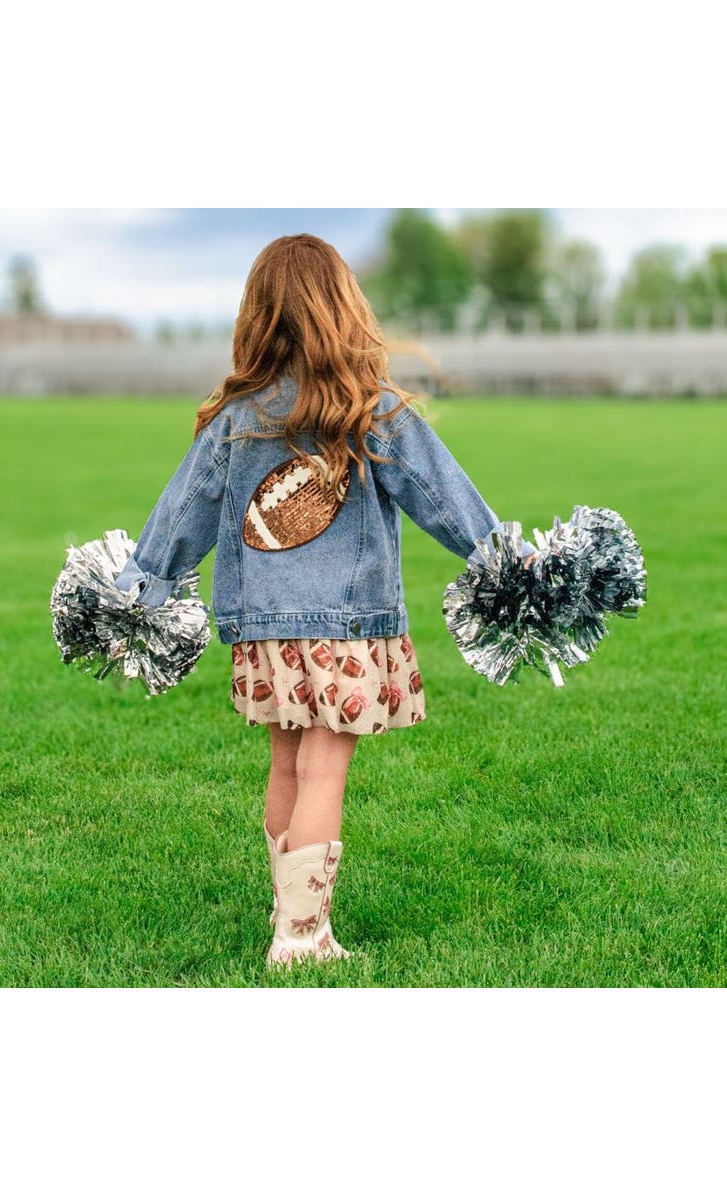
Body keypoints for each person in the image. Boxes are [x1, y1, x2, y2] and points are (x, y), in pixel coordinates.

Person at [114, 234, 536, 970]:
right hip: (345, 629)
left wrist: (136, 588)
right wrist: (508, 561)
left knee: (287, 769)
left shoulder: (236, 418)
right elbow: (445, 499)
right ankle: (302, 939)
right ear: (345, 308)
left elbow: (181, 517)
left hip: (263, 633)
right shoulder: (371, 409)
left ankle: (289, 913)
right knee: (324, 772)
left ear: (259, 317)